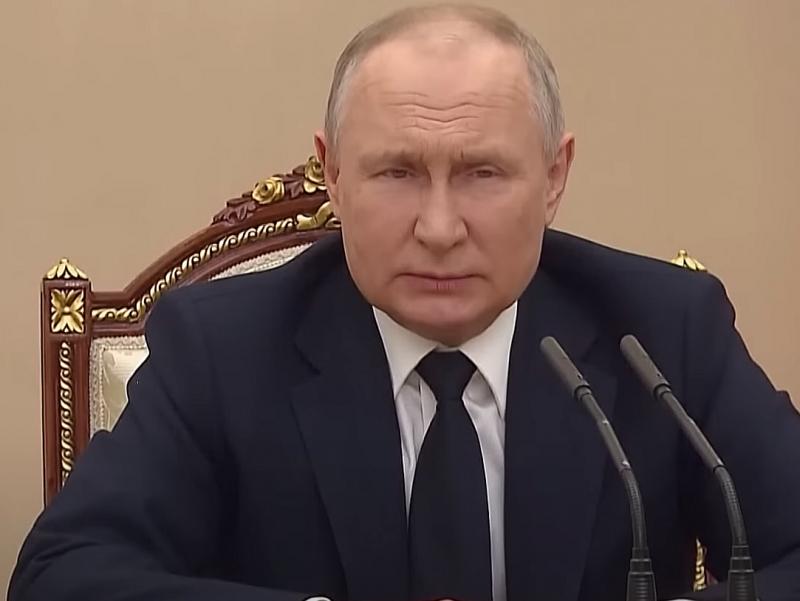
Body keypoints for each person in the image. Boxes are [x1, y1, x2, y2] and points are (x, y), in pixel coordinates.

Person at [9, 4, 800, 601]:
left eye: (483, 173)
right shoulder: (223, 346)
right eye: (397, 173)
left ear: (554, 176)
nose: (440, 228)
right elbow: (62, 573)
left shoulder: (662, 330)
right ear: (333, 174)